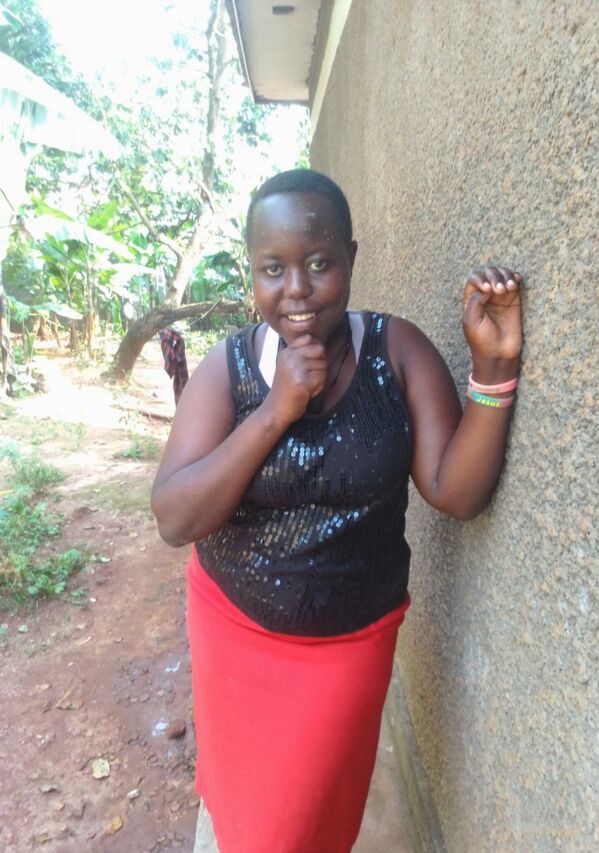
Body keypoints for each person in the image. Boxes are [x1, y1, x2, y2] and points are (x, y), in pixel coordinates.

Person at [151, 169, 522, 853]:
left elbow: (455, 492)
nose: (296, 288)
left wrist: (493, 369)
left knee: (309, 818)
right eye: (273, 269)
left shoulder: (396, 350)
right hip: (234, 627)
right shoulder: (228, 368)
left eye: (319, 263)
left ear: (351, 257)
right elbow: (176, 517)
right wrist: (275, 410)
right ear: (252, 272)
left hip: (349, 643)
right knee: (250, 813)